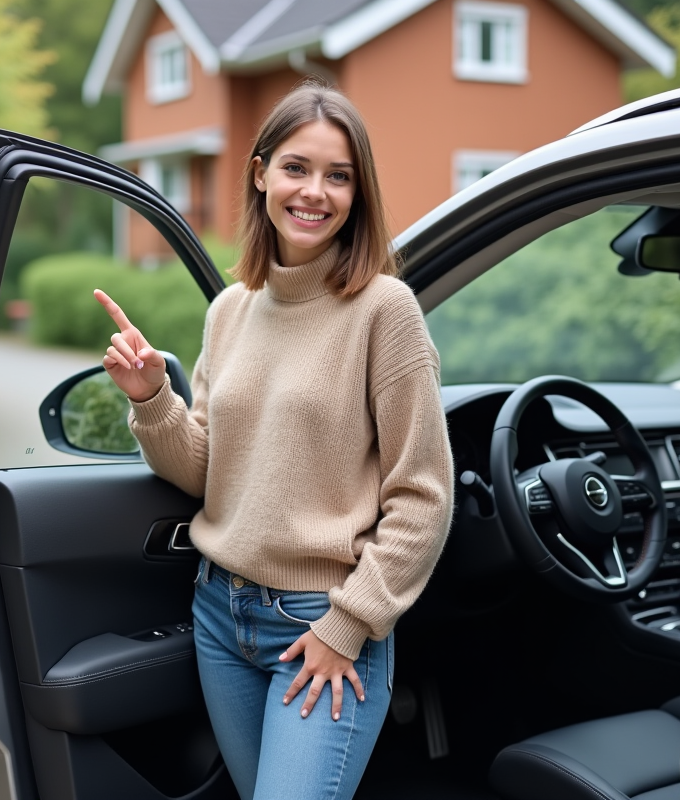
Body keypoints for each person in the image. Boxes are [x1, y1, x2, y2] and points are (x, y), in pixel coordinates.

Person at [93, 82, 454, 800]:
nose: (315, 191)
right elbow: (207, 472)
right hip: (219, 615)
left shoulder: (385, 310)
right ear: (260, 173)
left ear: (359, 192)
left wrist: (347, 625)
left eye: (338, 176)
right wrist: (151, 398)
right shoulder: (230, 310)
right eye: (297, 168)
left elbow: (424, 496)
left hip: (321, 626)